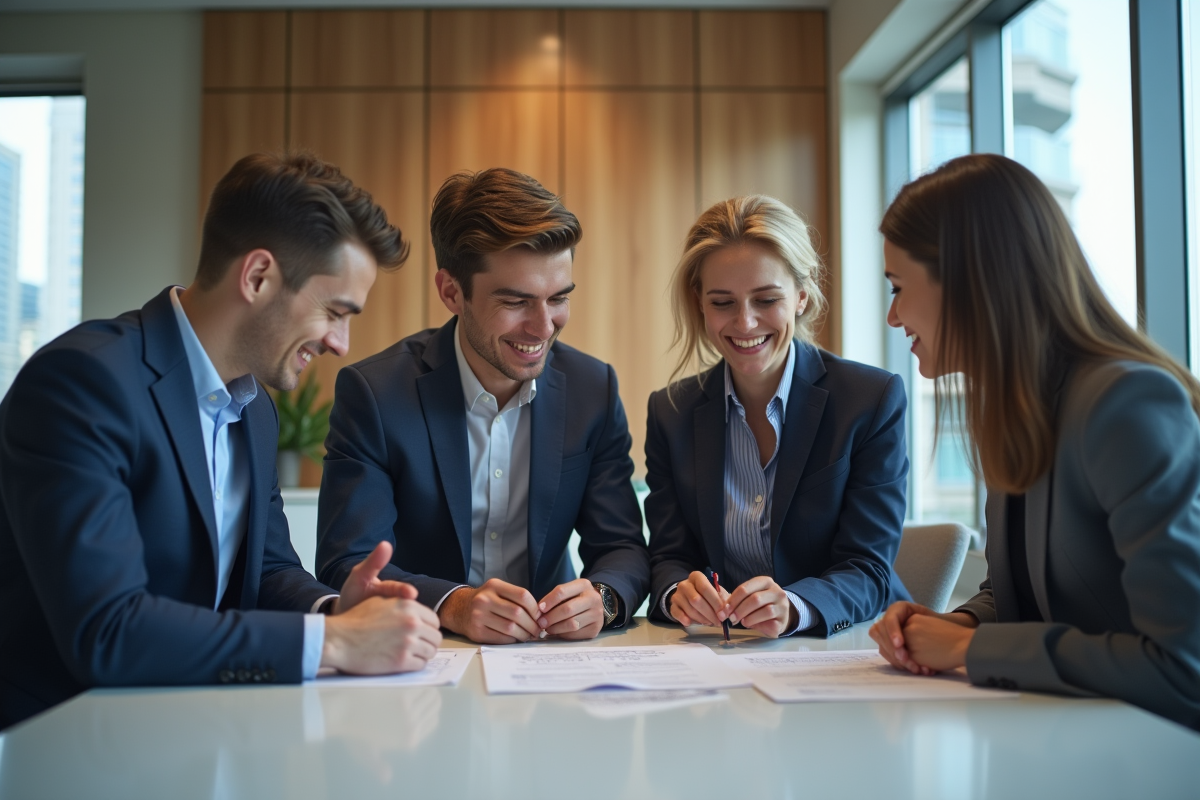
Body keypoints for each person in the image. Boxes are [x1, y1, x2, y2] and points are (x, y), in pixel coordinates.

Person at [0, 153, 444, 730]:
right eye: (335, 312)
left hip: (193, 725)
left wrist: (336, 611)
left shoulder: (254, 409)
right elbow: (108, 630)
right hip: (63, 740)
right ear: (257, 277)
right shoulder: (83, 383)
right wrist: (334, 642)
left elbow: (268, 570)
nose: (341, 343)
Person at [869, 153, 1200, 730]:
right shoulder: (1016, 408)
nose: (894, 317)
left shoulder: (1126, 404)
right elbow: (1021, 593)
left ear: (971, 285)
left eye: (898, 288)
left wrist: (970, 650)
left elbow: (1185, 667)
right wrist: (957, 624)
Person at [316, 167, 650, 644]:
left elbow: (622, 548)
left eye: (558, 298)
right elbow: (347, 563)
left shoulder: (592, 389)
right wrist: (452, 604)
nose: (543, 328)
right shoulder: (375, 394)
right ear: (452, 292)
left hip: (550, 655)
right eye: (516, 302)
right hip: (423, 649)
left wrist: (603, 596)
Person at [645, 195, 911, 638]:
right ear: (699, 303)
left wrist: (794, 606)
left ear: (801, 296)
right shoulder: (670, 413)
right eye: (722, 302)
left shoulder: (870, 400)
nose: (745, 323)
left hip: (849, 646)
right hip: (726, 653)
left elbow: (868, 567)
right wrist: (678, 592)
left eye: (766, 299)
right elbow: (669, 557)